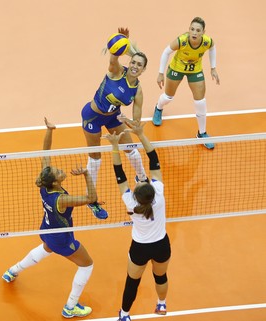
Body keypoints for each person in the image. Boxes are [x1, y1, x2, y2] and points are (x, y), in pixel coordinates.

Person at [2, 117, 96, 318]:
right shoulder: (62, 199)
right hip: (61, 238)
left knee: (45, 249)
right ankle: (70, 307)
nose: (60, 170)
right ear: (55, 182)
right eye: (58, 172)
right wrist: (87, 174)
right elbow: (91, 198)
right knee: (87, 264)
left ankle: (12, 271)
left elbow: (45, 154)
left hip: (47, 230)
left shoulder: (45, 185)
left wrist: (50, 131)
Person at [102, 118, 171, 320]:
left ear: (138, 194)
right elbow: (154, 159)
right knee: (160, 276)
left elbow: (119, 174)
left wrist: (115, 146)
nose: (141, 180)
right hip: (161, 245)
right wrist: (140, 134)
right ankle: (161, 304)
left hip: (140, 247)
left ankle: (124, 315)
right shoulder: (158, 194)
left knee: (132, 282)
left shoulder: (131, 203)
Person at [82, 27, 149, 220]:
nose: (135, 66)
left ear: (143, 70)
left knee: (131, 148)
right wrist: (122, 43)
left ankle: (142, 178)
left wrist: (127, 121)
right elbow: (113, 58)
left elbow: (136, 120)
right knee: (95, 158)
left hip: (113, 117)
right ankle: (91, 200)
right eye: (134, 62)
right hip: (93, 117)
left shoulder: (137, 90)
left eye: (140, 65)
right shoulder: (117, 71)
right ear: (130, 62)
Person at [152, 17, 220, 150]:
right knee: (168, 97)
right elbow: (166, 52)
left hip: (195, 70)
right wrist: (160, 73)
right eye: (192, 29)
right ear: (189, 29)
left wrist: (213, 68)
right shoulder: (181, 40)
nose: (194, 33)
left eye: (198, 30)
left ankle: (201, 133)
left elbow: (213, 48)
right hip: (177, 69)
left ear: (203, 32)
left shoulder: (207, 41)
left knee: (200, 101)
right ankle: (159, 108)